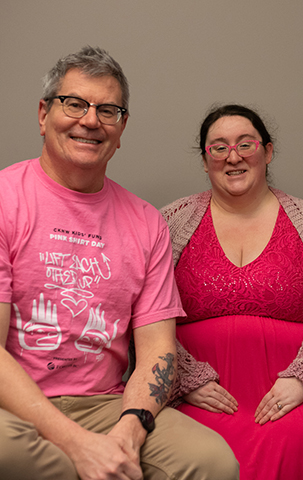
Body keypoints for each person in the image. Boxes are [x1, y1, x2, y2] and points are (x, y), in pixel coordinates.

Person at [0, 46, 238, 480]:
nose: (90, 120)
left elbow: (157, 352)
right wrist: (76, 445)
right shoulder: (5, 199)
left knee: (212, 462)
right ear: (42, 114)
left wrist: (129, 429)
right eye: (74, 103)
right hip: (14, 404)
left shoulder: (146, 222)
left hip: (106, 404)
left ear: (122, 127)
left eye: (107, 110)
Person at [160, 104, 303, 480]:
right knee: (194, 449)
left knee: (295, 437)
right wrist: (185, 378)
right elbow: (142, 306)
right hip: (198, 394)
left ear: (268, 151)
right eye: (219, 147)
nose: (233, 156)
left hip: (291, 393)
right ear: (205, 159)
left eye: (246, 144)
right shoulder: (169, 223)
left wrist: (302, 379)